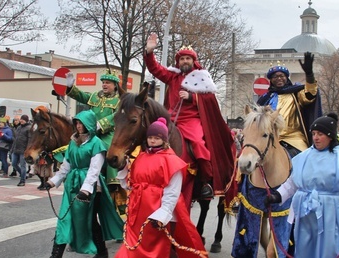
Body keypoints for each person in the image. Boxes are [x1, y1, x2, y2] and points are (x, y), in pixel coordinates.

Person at [144, 33, 235, 200]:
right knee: (149, 137)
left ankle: (206, 181)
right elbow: (155, 69)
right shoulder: (172, 76)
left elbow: (209, 100)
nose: (184, 61)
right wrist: (149, 52)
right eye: (182, 59)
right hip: (171, 119)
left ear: (193, 61)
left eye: (187, 59)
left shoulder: (202, 78)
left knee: (199, 144)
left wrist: (193, 97)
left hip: (191, 120)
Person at [265, 113, 339, 258]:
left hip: (332, 214)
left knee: (329, 252)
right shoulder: (304, 157)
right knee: (304, 252)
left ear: (330, 136)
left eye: (320, 134)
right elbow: (293, 182)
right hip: (305, 215)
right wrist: (278, 196)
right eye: (313, 134)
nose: (316, 138)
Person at [115, 117, 206, 258]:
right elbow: (130, 185)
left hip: (156, 214)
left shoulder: (172, 161)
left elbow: (173, 192)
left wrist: (162, 215)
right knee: (131, 248)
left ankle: (207, 179)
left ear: (164, 139)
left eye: (156, 138)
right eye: (150, 137)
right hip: (137, 213)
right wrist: (123, 170)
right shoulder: (140, 157)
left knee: (159, 249)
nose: (152, 140)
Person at [44, 110, 123, 258]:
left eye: (82, 123)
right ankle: (55, 255)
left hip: (91, 187)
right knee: (64, 219)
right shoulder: (73, 142)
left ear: (90, 124)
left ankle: (102, 252)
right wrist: (52, 181)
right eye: (77, 123)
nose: (79, 126)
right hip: (72, 185)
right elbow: (66, 166)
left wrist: (86, 189)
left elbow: (94, 170)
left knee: (90, 221)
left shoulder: (96, 143)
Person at [65, 69, 126, 215]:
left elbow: (117, 116)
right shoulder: (94, 96)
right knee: (74, 144)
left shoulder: (119, 101)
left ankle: (113, 180)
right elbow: (80, 95)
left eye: (108, 83)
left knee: (107, 148)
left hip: (108, 133)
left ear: (115, 85)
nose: (105, 85)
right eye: (103, 82)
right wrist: (70, 87)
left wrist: (102, 124)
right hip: (91, 131)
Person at [257, 54, 322, 158]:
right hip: (270, 139)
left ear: (286, 78)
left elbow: (310, 95)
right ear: (271, 80)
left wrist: (309, 75)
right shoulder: (265, 98)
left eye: (282, 76)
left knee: (306, 160)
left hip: (294, 139)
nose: (279, 78)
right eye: (275, 77)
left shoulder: (296, 93)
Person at [11, 114, 31, 186]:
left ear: (26, 120)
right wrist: (12, 149)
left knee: (23, 165)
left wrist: (27, 150)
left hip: (23, 150)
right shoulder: (19, 127)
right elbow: (16, 139)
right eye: (21, 119)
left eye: (23, 120)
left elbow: (30, 140)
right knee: (14, 163)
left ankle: (22, 180)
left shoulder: (29, 128)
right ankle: (23, 174)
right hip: (16, 149)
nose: (21, 121)